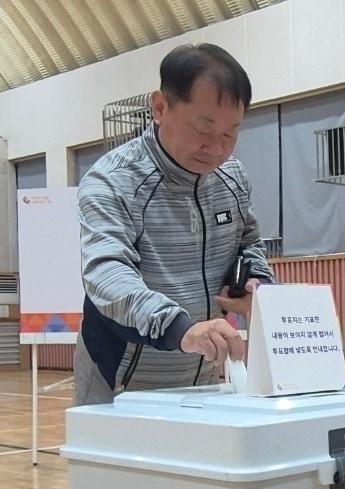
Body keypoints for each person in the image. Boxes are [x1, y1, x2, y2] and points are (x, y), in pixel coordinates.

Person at [73, 43, 274, 406]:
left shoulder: (232, 177)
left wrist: (255, 281)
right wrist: (181, 329)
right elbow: (107, 274)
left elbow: (249, 243)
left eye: (230, 134)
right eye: (203, 130)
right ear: (160, 107)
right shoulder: (112, 181)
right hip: (119, 380)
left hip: (202, 373)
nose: (217, 149)